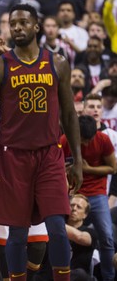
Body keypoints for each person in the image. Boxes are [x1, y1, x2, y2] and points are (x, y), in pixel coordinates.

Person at [0, 4, 83, 281]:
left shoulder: (57, 62)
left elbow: (70, 114)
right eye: (13, 24)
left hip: (49, 154)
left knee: (57, 228)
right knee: (17, 233)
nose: (17, 28)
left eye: (23, 23)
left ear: (36, 27)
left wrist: (78, 161)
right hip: (12, 157)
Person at [60, 115, 116, 281]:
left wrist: (88, 168)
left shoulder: (103, 140)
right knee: (54, 231)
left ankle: (108, 277)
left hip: (96, 193)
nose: (84, 144)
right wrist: (65, 170)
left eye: (87, 141)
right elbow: (55, 167)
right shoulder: (64, 140)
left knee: (106, 236)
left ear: (94, 135)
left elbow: (113, 168)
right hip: (71, 192)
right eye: (82, 140)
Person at [66, 194, 98, 281]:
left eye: (79, 207)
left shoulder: (91, 232)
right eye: (72, 205)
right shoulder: (56, 227)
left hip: (79, 276)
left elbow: (79, 237)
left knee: (79, 273)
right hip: (56, 270)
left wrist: (55, 222)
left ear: (85, 215)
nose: (74, 209)